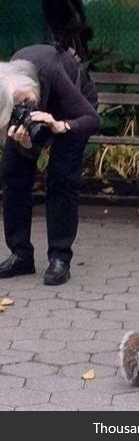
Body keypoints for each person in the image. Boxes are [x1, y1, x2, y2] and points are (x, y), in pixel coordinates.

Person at [0, 43, 100, 285]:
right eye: (18, 107)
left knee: (62, 178)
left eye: (26, 101)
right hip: (39, 110)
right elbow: (24, 148)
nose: (25, 107)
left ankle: (60, 258)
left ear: (29, 85)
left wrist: (62, 126)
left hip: (74, 111)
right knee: (12, 173)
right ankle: (20, 254)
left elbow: (92, 119)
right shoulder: (7, 84)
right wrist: (26, 146)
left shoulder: (52, 72)